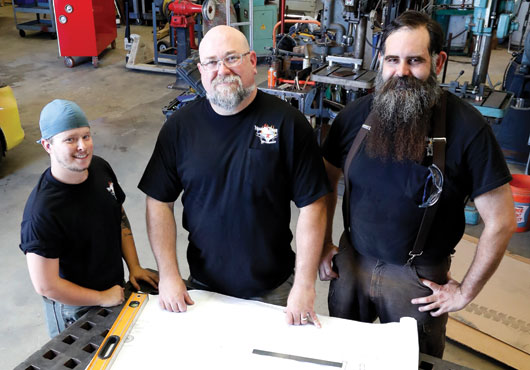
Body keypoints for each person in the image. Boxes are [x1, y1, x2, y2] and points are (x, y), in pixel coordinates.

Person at [319, 11, 516, 357]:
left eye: (415, 61)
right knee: (344, 356)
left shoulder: (468, 129)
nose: (402, 72)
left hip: (417, 278)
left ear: (438, 61)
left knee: (414, 363)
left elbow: (501, 221)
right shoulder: (355, 117)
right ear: (381, 60)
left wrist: (465, 291)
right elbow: (324, 183)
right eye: (393, 60)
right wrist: (322, 244)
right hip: (351, 265)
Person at [138, 25, 330, 326]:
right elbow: (158, 201)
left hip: (275, 289)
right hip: (202, 287)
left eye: (232, 58)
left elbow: (313, 205)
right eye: (212, 62)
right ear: (201, 70)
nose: (222, 70)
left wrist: (304, 285)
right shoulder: (180, 128)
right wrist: (169, 275)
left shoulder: (287, 123)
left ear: (252, 61)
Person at [20, 99, 158, 338]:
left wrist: (134, 266)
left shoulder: (99, 168)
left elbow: (118, 214)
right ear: (47, 145)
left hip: (113, 289)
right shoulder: (43, 212)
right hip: (74, 309)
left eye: (86, 136)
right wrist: (101, 298)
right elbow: (46, 285)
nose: (82, 146)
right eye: (70, 139)